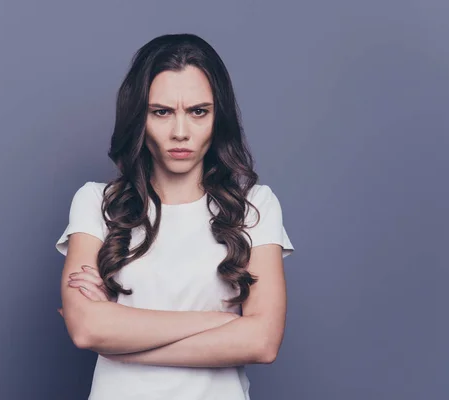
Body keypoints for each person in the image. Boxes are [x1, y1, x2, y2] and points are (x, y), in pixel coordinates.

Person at [55, 33, 294, 400]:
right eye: (161, 112)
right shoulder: (96, 203)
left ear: (219, 116)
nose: (180, 132)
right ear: (140, 117)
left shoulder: (255, 206)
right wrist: (222, 324)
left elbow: (262, 341)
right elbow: (87, 329)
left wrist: (121, 342)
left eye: (198, 111)